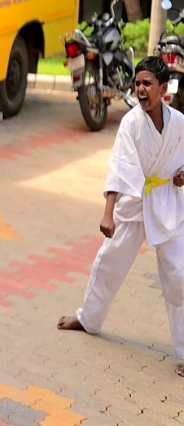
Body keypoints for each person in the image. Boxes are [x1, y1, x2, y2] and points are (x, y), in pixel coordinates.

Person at [58, 57, 184, 377]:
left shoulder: (180, 123)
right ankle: (88, 318)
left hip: (169, 203)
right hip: (135, 201)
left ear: (163, 89)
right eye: (137, 83)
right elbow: (119, 167)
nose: (140, 89)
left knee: (180, 276)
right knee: (110, 263)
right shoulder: (131, 123)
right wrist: (108, 214)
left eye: (147, 84)